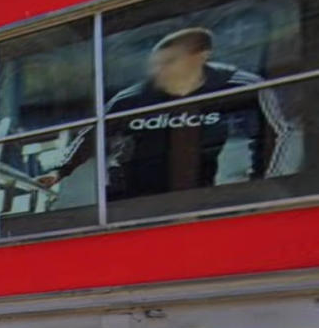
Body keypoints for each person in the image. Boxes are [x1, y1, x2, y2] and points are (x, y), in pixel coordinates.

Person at [40, 27, 297, 201]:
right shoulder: (133, 97)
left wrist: (262, 184)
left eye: (169, 62)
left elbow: (277, 133)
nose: (159, 71)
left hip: (195, 195)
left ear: (200, 57)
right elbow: (92, 135)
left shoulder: (239, 85)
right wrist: (59, 172)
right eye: (155, 64)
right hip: (127, 197)